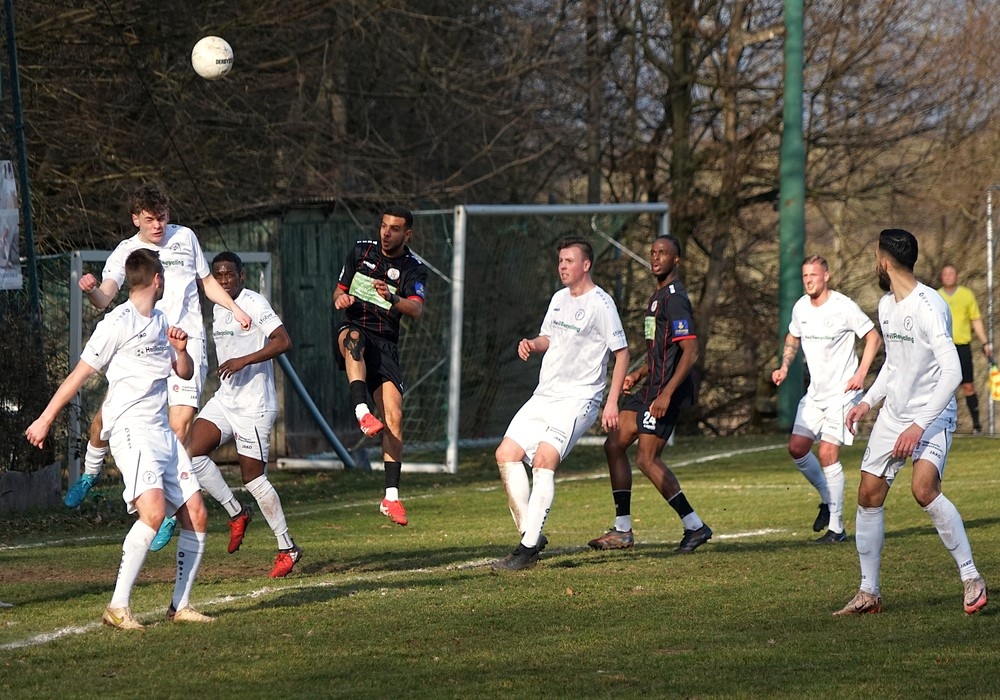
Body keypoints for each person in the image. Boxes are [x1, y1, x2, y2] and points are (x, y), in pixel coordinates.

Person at [26, 249, 214, 629]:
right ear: (157, 280)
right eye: (164, 276)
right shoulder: (116, 323)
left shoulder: (162, 320)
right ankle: (117, 606)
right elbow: (78, 376)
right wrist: (45, 420)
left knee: (196, 513)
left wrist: (181, 352)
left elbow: (184, 371)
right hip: (132, 431)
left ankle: (180, 606)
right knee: (153, 513)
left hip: (162, 432)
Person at [67, 183, 250, 551]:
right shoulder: (126, 251)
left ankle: (165, 510)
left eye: (162, 217)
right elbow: (104, 297)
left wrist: (234, 308)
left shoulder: (185, 238)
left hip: (187, 343)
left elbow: (207, 283)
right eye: (150, 219)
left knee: (178, 428)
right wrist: (90, 290)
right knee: (104, 419)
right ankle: (90, 471)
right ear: (136, 218)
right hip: (144, 344)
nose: (158, 225)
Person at [836, 229, 987, 616]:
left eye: (876, 256)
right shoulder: (887, 305)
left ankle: (971, 578)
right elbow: (894, 363)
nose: (875, 262)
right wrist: (867, 401)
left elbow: (952, 372)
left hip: (932, 414)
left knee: (924, 489)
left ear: (884, 261)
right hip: (895, 415)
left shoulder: (929, 305)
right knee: (868, 494)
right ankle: (868, 593)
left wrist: (918, 425)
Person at [492, 238, 629, 571]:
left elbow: (622, 353)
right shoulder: (558, 299)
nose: (563, 266)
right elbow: (549, 337)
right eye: (560, 261)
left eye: (569, 261)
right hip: (546, 394)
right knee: (506, 454)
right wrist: (532, 344)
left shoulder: (601, 303)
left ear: (586, 265)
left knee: (543, 460)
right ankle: (531, 534)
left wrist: (612, 401)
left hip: (579, 398)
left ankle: (526, 551)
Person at [588, 235, 712, 554]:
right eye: (653, 252)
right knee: (614, 445)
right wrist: (639, 373)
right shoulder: (656, 298)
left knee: (646, 459)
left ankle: (695, 526)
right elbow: (661, 349)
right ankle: (622, 531)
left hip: (665, 392)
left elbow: (690, 351)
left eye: (664, 253)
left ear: (676, 260)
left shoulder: (675, 299)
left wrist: (667, 394)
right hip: (649, 387)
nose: (656, 258)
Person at [185, 252, 302, 578]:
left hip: (254, 405)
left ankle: (287, 547)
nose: (224, 280)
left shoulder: (253, 302)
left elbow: (283, 341)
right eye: (218, 275)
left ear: (241, 276)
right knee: (189, 452)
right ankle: (236, 513)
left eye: (229, 274)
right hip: (226, 400)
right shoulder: (217, 306)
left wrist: (244, 360)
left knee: (253, 479)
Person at [772, 256, 881, 543]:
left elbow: (873, 338)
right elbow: (792, 338)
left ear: (826, 276)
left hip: (843, 394)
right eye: (805, 275)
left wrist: (860, 374)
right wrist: (784, 366)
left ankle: (837, 528)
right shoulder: (800, 307)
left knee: (827, 453)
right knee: (797, 448)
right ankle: (826, 498)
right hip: (816, 394)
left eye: (814, 275)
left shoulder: (843, 306)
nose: (809, 280)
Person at [332, 205, 427, 526]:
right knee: (354, 339)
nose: (386, 233)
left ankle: (391, 498)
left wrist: (392, 298)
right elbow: (338, 292)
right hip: (352, 329)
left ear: (407, 234)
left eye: (395, 229)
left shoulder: (413, 268)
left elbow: (416, 309)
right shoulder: (360, 252)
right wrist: (340, 300)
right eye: (384, 226)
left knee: (394, 417)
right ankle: (361, 411)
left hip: (385, 343)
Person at [937, 263, 991, 434]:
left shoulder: (967, 295)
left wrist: (985, 342)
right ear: (941, 277)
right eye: (945, 274)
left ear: (957, 275)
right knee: (942, 387)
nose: (948, 277)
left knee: (968, 386)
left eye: (951, 273)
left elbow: (975, 319)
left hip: (962, 347)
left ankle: (976, 426)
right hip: (942, 348)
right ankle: (941, 424)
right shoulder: (936, 296)